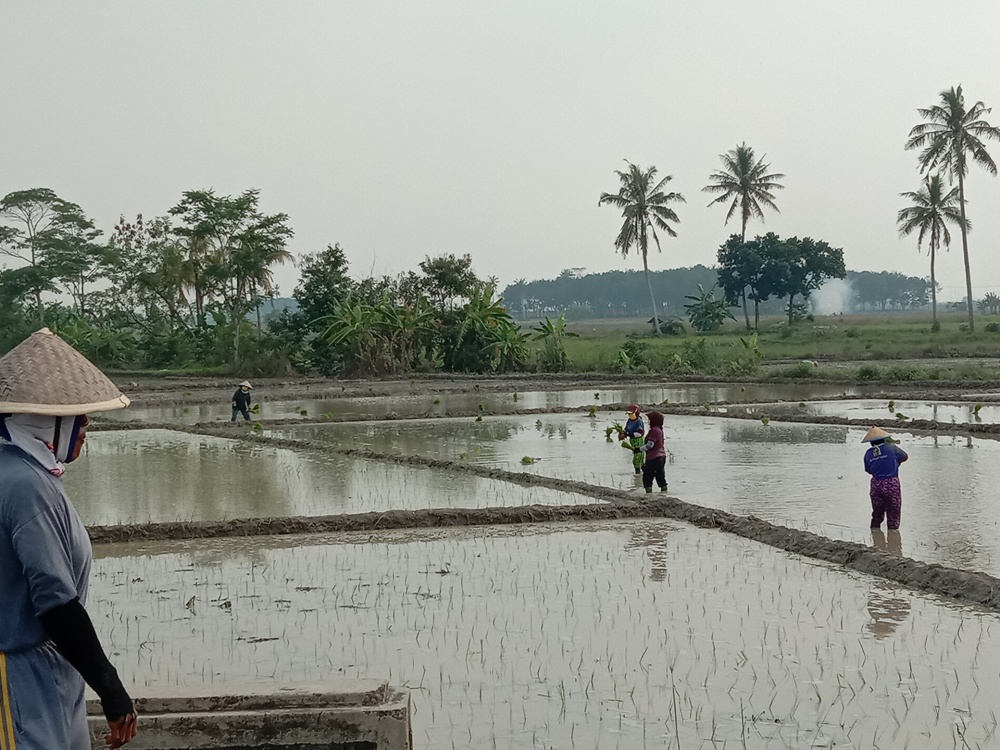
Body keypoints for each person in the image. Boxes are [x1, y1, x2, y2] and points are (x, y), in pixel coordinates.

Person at [0, 328, 138, 749]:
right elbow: (55, 600)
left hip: (52, 665)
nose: (86, 425)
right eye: (78, 416)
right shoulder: (22, 482)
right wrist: (111, 687)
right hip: (19, 676)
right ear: (43, 419)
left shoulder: (31, 470)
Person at [863, 426, 908, 531]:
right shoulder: (892, 447)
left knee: (877, 513)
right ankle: (893, 538)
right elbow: (905, 456)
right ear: (884, 439)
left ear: (871, 442)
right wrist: (896, 463)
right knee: (893, 512)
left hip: (876, 484)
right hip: (891, 483)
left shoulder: (868, 453)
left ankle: (875, 536)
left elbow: (869, 470)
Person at [637, 410, 668, 493]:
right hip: (662, 457)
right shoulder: (660, 430)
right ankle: (664, 493)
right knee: (660, 476)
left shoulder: (654, 431)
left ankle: (648, 496)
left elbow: (650, 445)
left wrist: (638, 449)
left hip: (653, 457)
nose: (648, 421)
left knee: (647, 477)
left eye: (649, 419)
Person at [618, 405, 645, 475]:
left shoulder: (639, 422)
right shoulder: (629, 421)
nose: (629, 415)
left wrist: (628, 435)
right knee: (639, 459)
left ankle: (638, 474)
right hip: (633, 442)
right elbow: (626, 429)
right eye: (628, 414)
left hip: (639, 442)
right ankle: (643, 474)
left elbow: (639, 433)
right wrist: (623, 433)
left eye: (631, 414)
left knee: (637, 459)